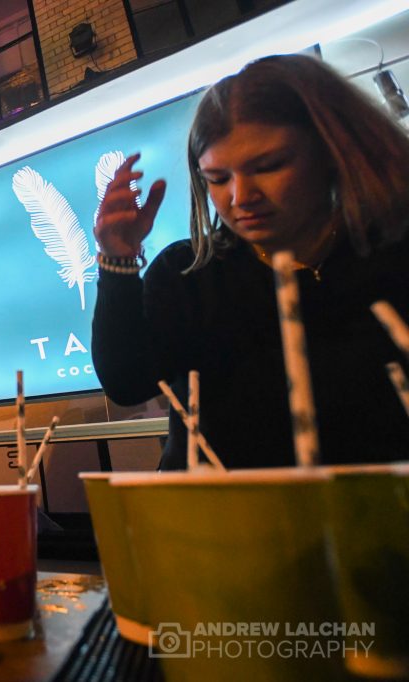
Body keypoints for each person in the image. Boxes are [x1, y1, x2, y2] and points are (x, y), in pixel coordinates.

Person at [92, 54, 409, 470]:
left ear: (332, 151)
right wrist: (118, 261)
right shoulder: (188, 273)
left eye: (269, 166)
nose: (241, 197)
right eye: (218, 179)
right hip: (219, 521)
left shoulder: (392, 253)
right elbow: (126, 382)